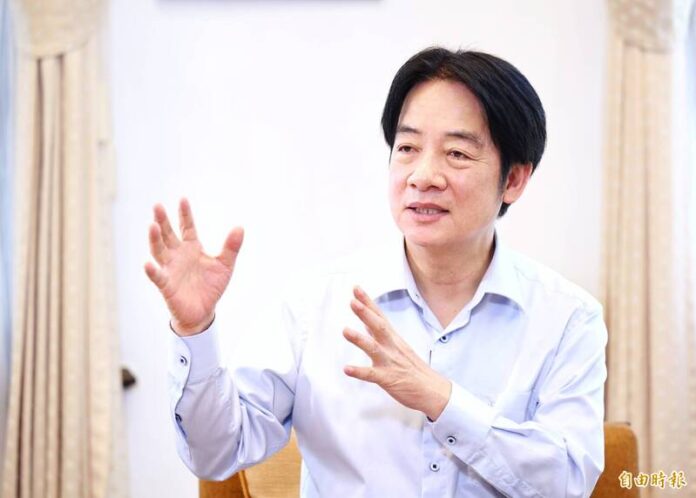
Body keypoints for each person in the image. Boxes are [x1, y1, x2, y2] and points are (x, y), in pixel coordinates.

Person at [145, 47, 607, 497]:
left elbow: (568, 482)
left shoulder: (567, 318)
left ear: (514, 179)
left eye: (457, 154)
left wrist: (442, 401)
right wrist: (194, 330)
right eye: (407, 148)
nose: (423, 175)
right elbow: (218, 451)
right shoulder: (316, 306)